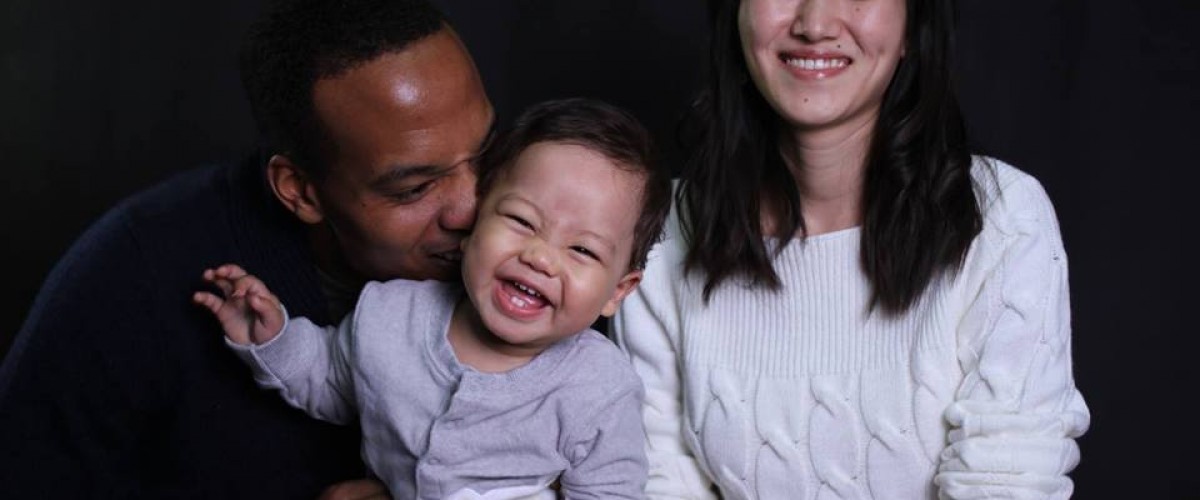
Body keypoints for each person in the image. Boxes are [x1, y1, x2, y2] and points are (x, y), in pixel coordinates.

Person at [0, 0, 493, 497]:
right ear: (300, 191)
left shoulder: (531, 222)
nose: (475, 210)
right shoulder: (130, 276)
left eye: (487, 152)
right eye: (414, 188)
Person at [614, 0, 1090, 498]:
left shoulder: (999, 216)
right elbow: (657, 483)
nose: (815, 24)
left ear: (913, 28)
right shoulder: (661, 232)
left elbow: (1007, 482)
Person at [193, 98, 672, 499]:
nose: (540, 257)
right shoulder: (388, 314)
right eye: (521, 221)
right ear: (474, 221)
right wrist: (272, 339)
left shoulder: (600, 390)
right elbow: (330, 383)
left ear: (618, 291)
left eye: (582, 250)